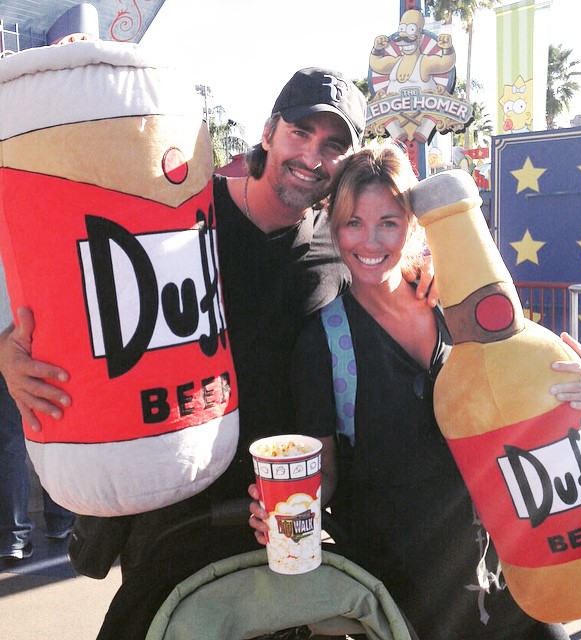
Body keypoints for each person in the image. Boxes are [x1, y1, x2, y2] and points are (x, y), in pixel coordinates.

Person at [0, 68, 427, 638]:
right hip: (172, 511)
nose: (312, 156)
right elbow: (66, 267)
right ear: (269, 132)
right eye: (300, 132)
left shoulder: (340, 245)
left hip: (278, 512)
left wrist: (431, 283)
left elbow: (393, 289)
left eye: (333, 145)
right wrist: (7, 348)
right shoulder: (181, 211)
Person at [248, 142, 581, 639]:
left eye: (388, 222)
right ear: (334, 227)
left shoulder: (456, 309)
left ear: (413, 225)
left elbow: (532, 385)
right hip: (405, 587)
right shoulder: (323, 344)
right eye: (353, 222)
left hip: (505, 554)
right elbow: (327, 471)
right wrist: (292, 509)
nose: (370, 240)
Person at [0, 261, 75, 562]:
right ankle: (61, 519)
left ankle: (12, 536)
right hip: (33, 329)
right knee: (51, 422)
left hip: (9, 328)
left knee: (8, 440)